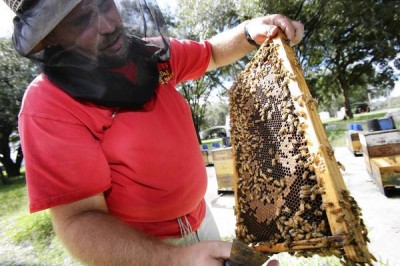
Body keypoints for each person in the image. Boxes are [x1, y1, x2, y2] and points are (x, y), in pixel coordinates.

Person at [6, 0, 303, 265]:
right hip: (139, 252)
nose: (108, 25)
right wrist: (176, 259)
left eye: (104, 3)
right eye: (82, 20)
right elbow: (78, 221)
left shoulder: (152, 54)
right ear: (50, 37)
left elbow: (210, 53)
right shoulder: (48, 104)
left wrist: (250, 31)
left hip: (201, 221)